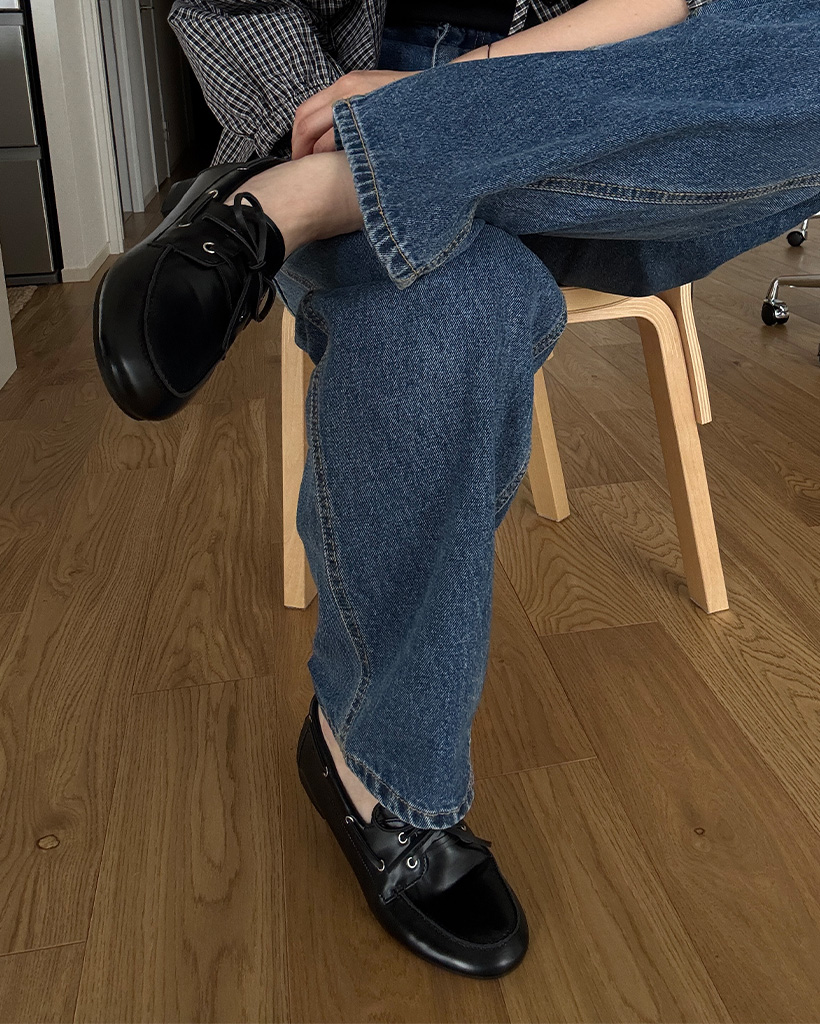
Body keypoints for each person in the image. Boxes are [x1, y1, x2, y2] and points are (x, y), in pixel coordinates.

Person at [93, 0, 820, 978]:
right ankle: (375, 771)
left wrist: (440, 109)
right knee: (454, 316)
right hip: (335, 96)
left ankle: (323, 191)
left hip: (622, 132)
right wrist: (358, 113)